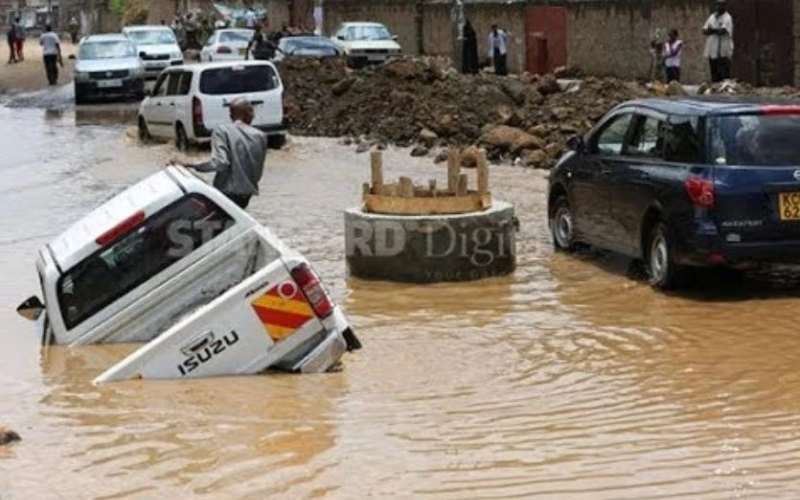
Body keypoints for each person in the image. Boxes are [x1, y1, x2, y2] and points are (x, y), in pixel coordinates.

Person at [172, 98, 268, 210]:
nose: (254, 116)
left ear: (231, 115)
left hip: (226, 193)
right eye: (252, 112)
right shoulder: (261, 136)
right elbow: (258, 171)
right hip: (246, 195)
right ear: (248, 114)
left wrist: (188, 163)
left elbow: (219, 162)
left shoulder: (222, 131)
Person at [703, 0, 733, 82]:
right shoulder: (712, 17)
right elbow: (704, 31)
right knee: (714, 72)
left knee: (724, 74)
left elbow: (722, 31)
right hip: (712, 50)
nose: (718, 7)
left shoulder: (727, 17)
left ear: (724, 6)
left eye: (721, 5)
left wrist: (712, 30)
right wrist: (715, 30)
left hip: (723, 51)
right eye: (717, 5)